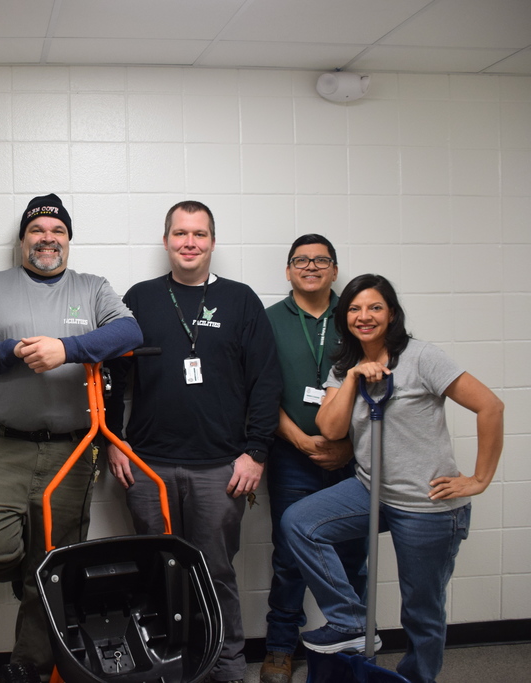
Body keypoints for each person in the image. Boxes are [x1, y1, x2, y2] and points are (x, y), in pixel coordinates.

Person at [0, 193, 143, 676]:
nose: (47, 239)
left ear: (68, 241)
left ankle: (27, 666)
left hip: (72, 449)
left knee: (54, 565)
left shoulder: (93, 287)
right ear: (22, 241)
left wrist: (66, 348)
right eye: (37, 231)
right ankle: (28, 579)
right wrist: (12, 351)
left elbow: (129, 334)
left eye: (57, 231)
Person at [283, 274, 504, 683]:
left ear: (392, 314)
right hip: (372, 490)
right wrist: (350, 378)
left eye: (374, 307)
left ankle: (418, 678)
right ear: (342, 316)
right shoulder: (342, 364)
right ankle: (349, 620)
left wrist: (478, 479)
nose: (363, 316)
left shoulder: (422, 358)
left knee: (420, 611)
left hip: (427, 506)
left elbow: (490, 406)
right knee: (300, 523)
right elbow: (330, 429)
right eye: (353, 308)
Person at [104, 200, 281, 683]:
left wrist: (256, 451)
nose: (189, 242)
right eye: (180, 233)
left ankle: (226, 669)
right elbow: (113, 377)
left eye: (199, 234)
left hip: (221, 466)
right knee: (155, 572)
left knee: (215, 574)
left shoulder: (241, 301)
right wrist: (113, 441)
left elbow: (266, 381)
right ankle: (164, 667)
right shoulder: (139, 298)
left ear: (212, 242)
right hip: (148, 467)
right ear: (166, 241)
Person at [259, 235, 366, 683]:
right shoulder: (266, 321)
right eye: (301, 260)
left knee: (351, 555)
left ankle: (352, 647)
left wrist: (347, 446)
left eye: (321, 260)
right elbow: (260, 393)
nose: (311, 266)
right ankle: (281, 648)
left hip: (351, 460)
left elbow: (378, 390)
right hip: (291, 459)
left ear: (335, 270)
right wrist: (302, 441)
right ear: (288, 271)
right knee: (289, 556)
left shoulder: (358, 317)